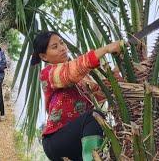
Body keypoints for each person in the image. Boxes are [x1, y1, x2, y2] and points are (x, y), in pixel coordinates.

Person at [30, 31, 122, 161]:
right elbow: (70, 73)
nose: (62, 48)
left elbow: (103, 92)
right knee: (94, 116)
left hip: (78, 144)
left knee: (95, 118)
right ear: (44, 56)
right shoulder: (48, 73)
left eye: (62, 43)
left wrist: (120, 63)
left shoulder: (82, 79)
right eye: (54, 47)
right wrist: (106, 49)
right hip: (56, 140)